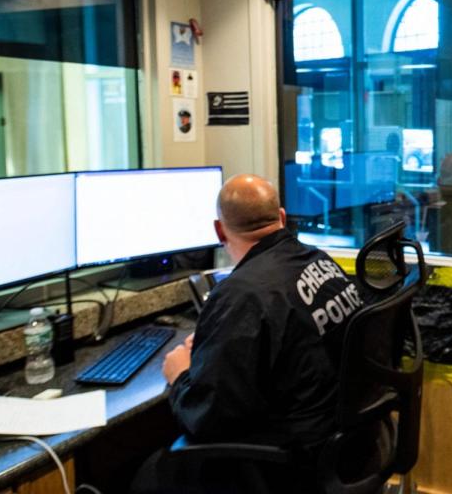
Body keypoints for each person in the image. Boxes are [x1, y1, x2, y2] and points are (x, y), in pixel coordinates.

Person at [135, 174, 367, 492]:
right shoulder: (318, 261)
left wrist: (180, 376)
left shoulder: (242, 293)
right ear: (282, 218)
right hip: (344, 445)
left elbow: (209, 419)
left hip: (294, 461)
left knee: (149, 475)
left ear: (219, 230)